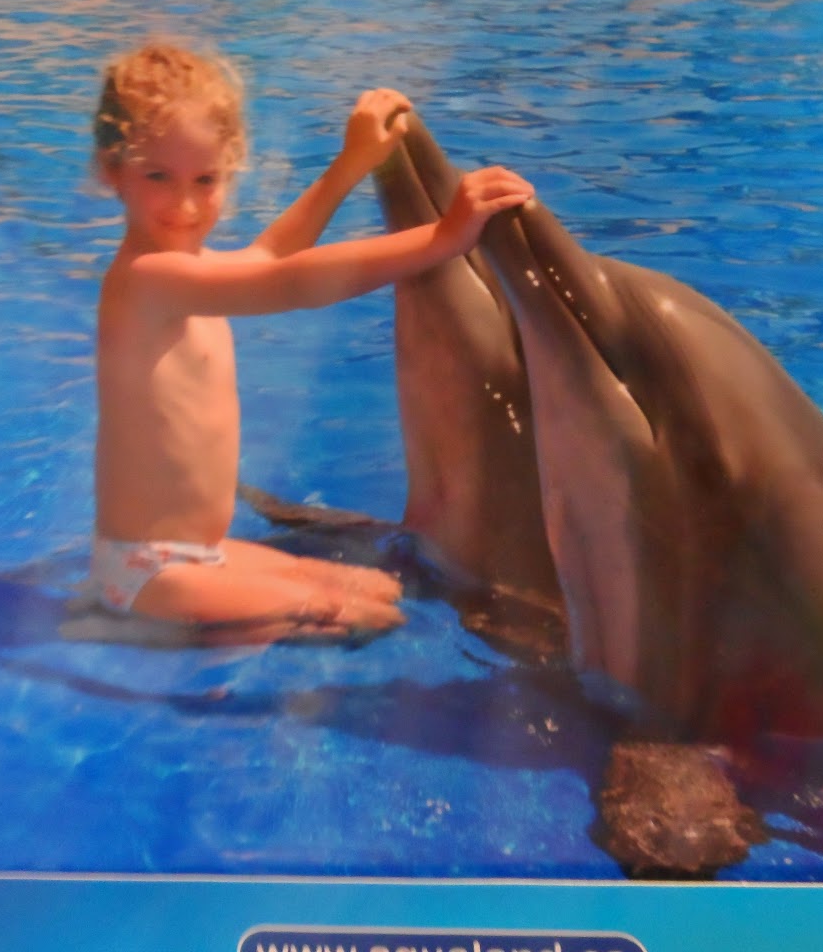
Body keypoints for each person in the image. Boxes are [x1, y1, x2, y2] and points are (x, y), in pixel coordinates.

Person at [90, 41, 533, 643]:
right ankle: (122, 628)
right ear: (112, 170)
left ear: (230, 172)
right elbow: (288, 281)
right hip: (149, 572)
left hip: (199, 553)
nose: (186, 204)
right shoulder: (148, 279)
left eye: (206, 179)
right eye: (158, 177)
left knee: (379, 589)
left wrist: (352, 164)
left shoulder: (189, 273)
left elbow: (270, 255)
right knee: (358, 616)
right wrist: (442, 238)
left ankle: (173, 619)